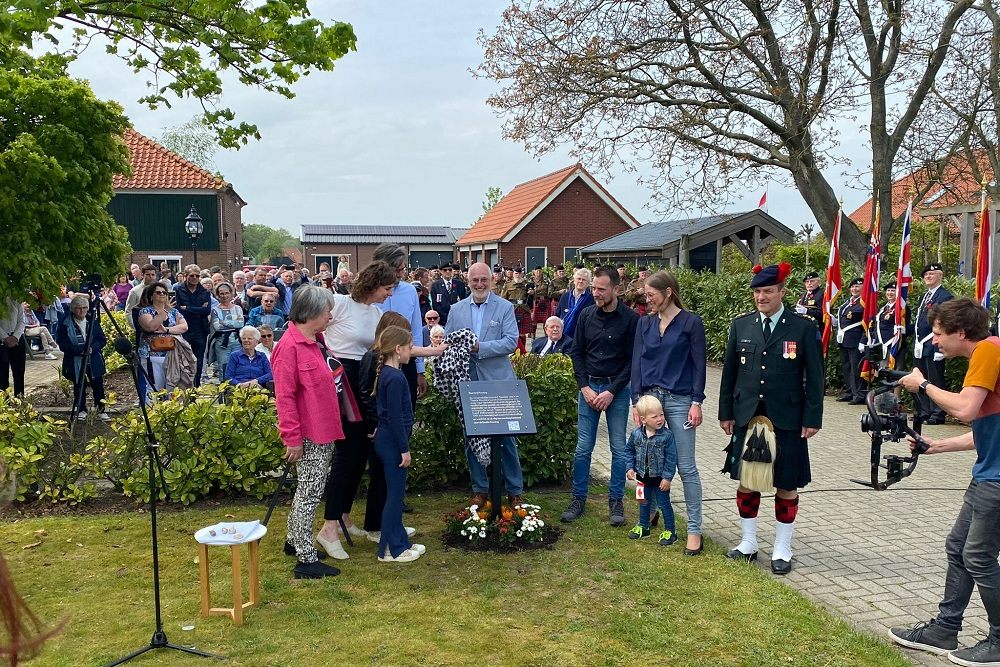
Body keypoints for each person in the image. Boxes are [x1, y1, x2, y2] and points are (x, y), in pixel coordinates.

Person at [891, 298, 1000, 664]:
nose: (934, 340)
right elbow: (984, 429)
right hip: (988, 474)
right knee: (958, 547)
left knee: (979, 556)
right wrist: (938, 445)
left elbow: (966, 409)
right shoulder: (989, 353)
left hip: (996, 481)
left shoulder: (987, 350)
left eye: (939, 334)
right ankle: (944, 630)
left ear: (962, 333)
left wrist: (922, 386)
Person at [718, 262, 824, 575]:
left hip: (788, 416)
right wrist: (725, 412)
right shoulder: (742, 325)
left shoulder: (802, 326)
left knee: (786, 482)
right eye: (757, 291)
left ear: (782, 291)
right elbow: (729, 373)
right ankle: (748, 541)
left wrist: (813, 417)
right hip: (747, 414)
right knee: (747, 480)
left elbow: (815, 377)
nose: (761, 297)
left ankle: (782, 547)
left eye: (767, 291)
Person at [316, 261, 398, 560]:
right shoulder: (338, 303)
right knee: (347, 456)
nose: (389, 294)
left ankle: (343, 518)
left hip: (363, 382)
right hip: (340, 381)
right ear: (373, 284)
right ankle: (327, 528)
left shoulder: (376, 314)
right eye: (387, 288)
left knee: (360, 453)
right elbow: (309, 329)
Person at [630, 270, 706, 555]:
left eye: (652, 295)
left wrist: (697, 402)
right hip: (649, 400)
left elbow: (699, 365)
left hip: (680, 400)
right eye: (645, 295)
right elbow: (637, 361)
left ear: (669, 292)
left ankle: (695, 529)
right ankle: (646, 515)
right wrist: (636, 402)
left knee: (686, 467)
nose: (647, 300)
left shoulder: (691, 323)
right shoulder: (644, 324)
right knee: (643, 465)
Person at [271, 285, 343, 579]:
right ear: (312, 312)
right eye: (327, 310)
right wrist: (292, 438)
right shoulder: (289, 348)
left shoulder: (315, 340)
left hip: (323, 428)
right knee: (310, 493)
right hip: (310, 433)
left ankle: (294, 540)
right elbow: (284, 397)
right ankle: (305, 556)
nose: (330, 314)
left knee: (308, 489)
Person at [561, 267, 638, 526]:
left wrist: (611, 391)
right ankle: (577, 499)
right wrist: (584, 387)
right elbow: (576, 353)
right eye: (594, 288)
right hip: (589, 388)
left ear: (616, 289)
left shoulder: (630, 319)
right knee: (583, 447)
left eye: (601, 289)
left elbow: (631, 361)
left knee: (618, 448)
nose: (596, 293)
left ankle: (616, 501)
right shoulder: (585, 315)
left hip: (616, 390)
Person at [445, 262, 526, 507]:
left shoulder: (504, 307)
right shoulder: (456, 309)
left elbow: (511, 342)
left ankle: (514, 491)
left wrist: (480, 348)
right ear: (467, 281)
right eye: (474, 280)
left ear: (491, 280)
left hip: (498, 383)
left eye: (484, 280)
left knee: (507, 440)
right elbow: (448, 342)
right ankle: (480, 489)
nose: (479, 284)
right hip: (469, 383)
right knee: (473, 438)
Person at [371, 325, 426, 563]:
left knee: (395, 494)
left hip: (389, 439)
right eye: (409, 347)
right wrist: (404, 449)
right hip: (393, 443)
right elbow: (394, 417)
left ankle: (400, 540)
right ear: (397, 349)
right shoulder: (393, 377)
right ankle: (390, 549)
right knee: (394, 497)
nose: (411, 351)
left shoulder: (390, 373)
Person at [372, 244, 427, 409]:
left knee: (406, 414)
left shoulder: (410, 291)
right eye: (398, 270)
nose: (401, 274)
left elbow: (416, 331)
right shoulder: (369, 292)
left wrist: (420, 370)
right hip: (375, 363)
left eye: (403, 269)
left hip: (406, 361)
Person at [625, 394, 678, 546]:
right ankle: (643, 526)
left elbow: (671, 458)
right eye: (654, 416)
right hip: (641, 478)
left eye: (661, 415)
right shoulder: (636, 434)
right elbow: (629, 451)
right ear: (643, 419)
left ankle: (670, 531)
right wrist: (629, 468)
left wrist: (667, 478)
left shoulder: (667, 436)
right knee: (643, 501)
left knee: (664, 504)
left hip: (660, 479)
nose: (660, 419)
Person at [56, 294, 110, 421]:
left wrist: (91, 349)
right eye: (79, 308)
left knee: (98, 384)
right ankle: (81, 409)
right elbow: (62, 343)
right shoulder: (65, 323)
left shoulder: (92, 321)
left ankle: (101, 410)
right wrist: (78, 350)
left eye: (85, 308)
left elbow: (101, 339)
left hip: (93, 358)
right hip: (75, 359)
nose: (83, 311)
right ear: (73, 309)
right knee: (79, 384)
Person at [914, 263, 954, 424]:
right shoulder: (925, 296)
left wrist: (939, 348)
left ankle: (937, 413)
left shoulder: (945, 297)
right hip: (921, 344)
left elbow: (945, 323)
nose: (928, 277)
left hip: (934, 344)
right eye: (926, 275)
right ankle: (925, 411)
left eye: (932, 274)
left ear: (940, 276)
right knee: (922, 378)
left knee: (935, 380)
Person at [137, 282, 188, 399]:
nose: (162, 295)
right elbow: (151, 326)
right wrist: (163, 312)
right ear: (151, 296)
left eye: (164, 292)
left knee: (173, 387)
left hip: (172, 355)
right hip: (152, 355)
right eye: (158, 292)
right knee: (155, 388)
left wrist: (167, 330)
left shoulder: (174, 312)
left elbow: (184, 327)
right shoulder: (145, 312)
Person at [174, 264, 212, 387]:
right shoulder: (179, 290)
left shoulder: (205, 291)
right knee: (183, 358)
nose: (194, 278)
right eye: (191, 275)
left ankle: (196, 386)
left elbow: (206, 311)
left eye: (197, 276)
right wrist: (198, 309)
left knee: (198, 359)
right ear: (185, 276)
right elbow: (179, 309)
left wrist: (189, 308)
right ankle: (184, 385)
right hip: (184, 328)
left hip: (200, 329)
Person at [836, 277, 866, 405]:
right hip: (844, 340)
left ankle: (858, 394)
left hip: (856, 339)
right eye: (852, 287)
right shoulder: (847, 303)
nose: (854, 289)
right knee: (847, 367)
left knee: (856, 368)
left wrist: (863, 340)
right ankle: (850, 391)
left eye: (857, 286)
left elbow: (868, 323)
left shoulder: (864, 303)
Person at [209, 282, 244, 379]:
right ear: (218, 295)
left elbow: (240, 324)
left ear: (231, 293)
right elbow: (217, 326)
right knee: (223, 367)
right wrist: (233, 322)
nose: (224, 296)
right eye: (222, 294)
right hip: (221, 342)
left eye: (226, 293)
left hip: (237, 341)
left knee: (238, 365)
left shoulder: (237, 308)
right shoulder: (215, 310)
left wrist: (223, 322)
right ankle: (224, 390)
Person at [872, 280, 909, 363]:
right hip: (880, 344)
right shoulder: (883, 308)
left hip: (894, 345)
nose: (890, 293)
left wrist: (903, 330)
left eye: (893, 290)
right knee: (879, 372)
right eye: (888, 290)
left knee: (891, 372)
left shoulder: (902, 308)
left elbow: (907, 327)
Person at [557, 267, 595, 338]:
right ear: (574, 280)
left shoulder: (591, 299)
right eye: (579, 279)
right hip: (563, 335)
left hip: (581, 335)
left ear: (588, 283)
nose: (580, 281)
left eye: (584, 280)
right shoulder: (565, 296)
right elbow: (558, 315)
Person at [501, 266, 533, 349]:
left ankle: (523, 351)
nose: (518, 275)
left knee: (522, 334)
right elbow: (503, 299)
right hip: (512, 309)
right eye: (516, 273)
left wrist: (532, 293)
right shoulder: (508, 285)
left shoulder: (527, 284)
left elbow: (532, 299)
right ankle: (513, 351)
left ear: (522, 274)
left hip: (524, 309)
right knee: (513, 332)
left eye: (519, 273)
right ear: (513, 274)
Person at [0, 298, 27, 397]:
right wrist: (5, 337)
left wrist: (16, 337)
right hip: (2, 339)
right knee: (2, 373)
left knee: (19, 372)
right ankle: (4, 403)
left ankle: (20, 400)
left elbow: (21, 320)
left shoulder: (16, 300)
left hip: (17, 338)